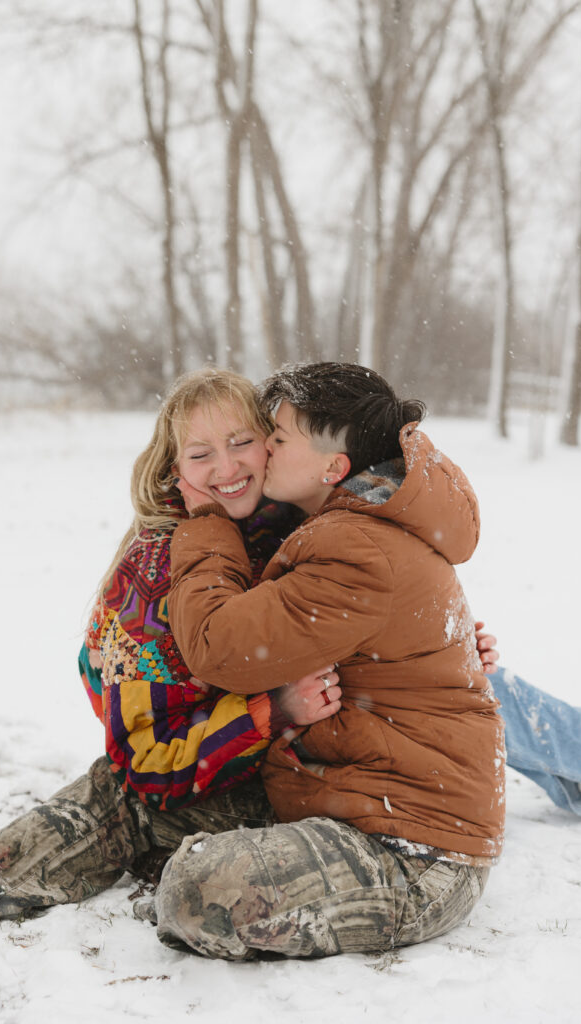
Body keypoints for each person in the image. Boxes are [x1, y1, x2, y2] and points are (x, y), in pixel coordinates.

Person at [0, 365, 581, 929]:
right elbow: (148, 755)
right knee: (118, 793)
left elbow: (352, 596)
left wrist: (435, 646)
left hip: (358, 779)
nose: (229, 467)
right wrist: (273, 712)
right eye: (200, 454)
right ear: (171, 467)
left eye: (247, 440)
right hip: (276, 763)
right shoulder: (150, 582)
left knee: (487, 688)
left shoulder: (307, 521)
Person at [159, 361, 505, 959]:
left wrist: (208, 523)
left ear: (333, 468)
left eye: (279, 438)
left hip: (415, 853)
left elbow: (218, 646)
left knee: (202, 892)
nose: (264, 446)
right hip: (365, 796)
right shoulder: (356, 521)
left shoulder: (354, 546)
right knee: (154, 804)